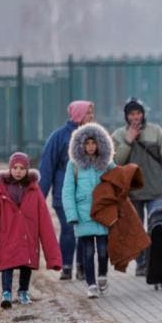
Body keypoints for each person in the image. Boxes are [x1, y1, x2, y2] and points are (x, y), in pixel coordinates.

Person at [0, 152, 62, 308]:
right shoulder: (0, 191)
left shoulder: (34, 191)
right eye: (15, 167)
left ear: (27, 170)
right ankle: (6, 292)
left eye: (21, 168)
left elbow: (45, 223)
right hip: (6, 237)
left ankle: (23, 291)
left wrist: (53, 257)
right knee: (7, 265)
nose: (18, 171)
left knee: (26, 265)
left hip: (28, 237)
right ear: (10, 169)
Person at [111, 97, 162, 277]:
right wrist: (128, 141)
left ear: (143, 114)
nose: (135, 117)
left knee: (156, 227)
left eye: (138, 113)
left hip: (155, 188)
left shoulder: (156, 132)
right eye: (131, 114)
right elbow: (115, 162)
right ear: (126, 116)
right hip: (132, 191)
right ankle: (141, 263)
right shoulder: (118, 135)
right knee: (136, 229)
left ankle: (155, 261)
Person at [39, 100, 94, 281]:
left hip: (87, 194)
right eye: (88, 113)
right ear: (79, 115)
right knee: (69, 229)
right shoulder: (59, 137)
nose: (91, 117)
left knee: (85, 230)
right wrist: (39, 197)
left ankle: (83, 267)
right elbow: (47, 167)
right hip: (63, 194)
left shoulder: (92, 136)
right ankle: (66, 266)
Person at [62, 123, 116, 299]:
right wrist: (72, 214)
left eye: (94, 143)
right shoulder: (74, 165)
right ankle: (91, 284)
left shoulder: (107, 164)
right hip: (83, 214)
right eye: (87, 143)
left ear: (100, 144)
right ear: (81, 145)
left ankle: (102, 275)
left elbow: (118, 182)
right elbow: (68, 191)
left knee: (102, 249)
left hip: (102, 213)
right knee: (87, 251)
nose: (91, 147)